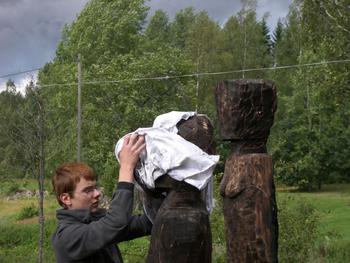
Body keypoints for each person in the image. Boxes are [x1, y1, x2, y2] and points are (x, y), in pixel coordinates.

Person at [51, 134, 151, 263]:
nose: (97, 193)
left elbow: (144, 224)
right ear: (66, 199)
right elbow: (116, 222)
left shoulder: (95, 220)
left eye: (95, 187)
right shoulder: (67, 237)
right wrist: (127, 167)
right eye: (88, 190)